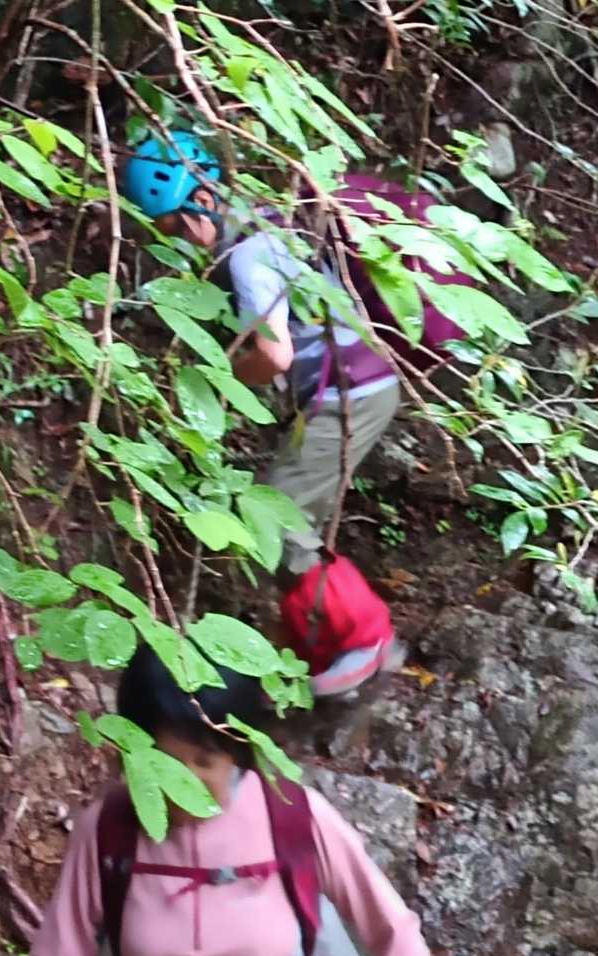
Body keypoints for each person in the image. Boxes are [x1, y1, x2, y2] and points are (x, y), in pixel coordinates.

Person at [5, 643, 478, 956]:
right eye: (164, 762)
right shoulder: (109, 830)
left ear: (238, 752)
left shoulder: (293, 818)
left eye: (204, 761)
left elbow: (392, 930)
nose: (184, 784)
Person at [122, 131, 404, 698]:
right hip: (356, 383)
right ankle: (320, 650)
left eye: (175, 226)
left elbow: (275, 355)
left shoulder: (249, 255)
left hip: (347, 391)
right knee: (284, 514)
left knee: (277, 522)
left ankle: (365, 642)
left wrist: (221, 383)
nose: (179, 240)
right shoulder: (267, 220)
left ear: (202, 201)